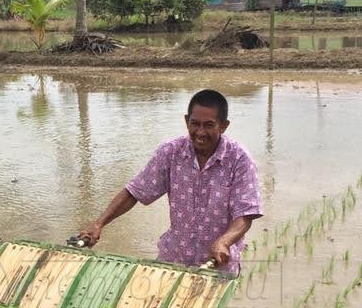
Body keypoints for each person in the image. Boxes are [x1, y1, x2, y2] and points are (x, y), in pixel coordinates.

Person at [79, 89, 262, 275]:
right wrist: (99, 224)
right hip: (173, 260)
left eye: (209, 125)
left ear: (223, 126)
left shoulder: (239, 159)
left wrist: (224, 241)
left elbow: (245, 215)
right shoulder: (171, 152)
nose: (200, 132)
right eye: (194, 124)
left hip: (216, 264)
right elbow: (135, 191)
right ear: (186, 121)